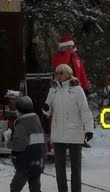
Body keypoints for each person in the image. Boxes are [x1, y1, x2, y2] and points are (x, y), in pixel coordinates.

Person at [44, 63, 93, 192]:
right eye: (57, 73)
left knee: (76, 167)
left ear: (68, 73)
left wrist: (89, 129)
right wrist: (45, 108)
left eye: (61, 73)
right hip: (58, 133)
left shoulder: (77, 89)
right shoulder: (53, 89)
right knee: (59, 167)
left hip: (74, 132)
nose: (58, 76)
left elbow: (85, 110)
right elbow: (47, 110)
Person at [9, 95, 46, 192]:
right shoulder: (37, 122)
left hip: (25, 163)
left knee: (15, 186)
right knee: (35, 187)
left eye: (16, 110)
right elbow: (43, 143)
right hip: (38, 161)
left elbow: (20, 145)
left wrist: (9, 144)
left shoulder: (21, 124)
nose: (16, 113)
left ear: (20, 111)